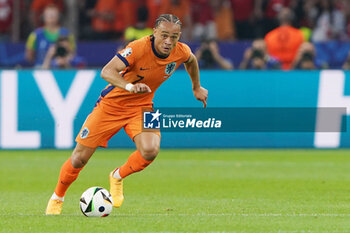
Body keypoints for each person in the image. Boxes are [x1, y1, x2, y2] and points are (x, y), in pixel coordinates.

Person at [45, 14, 208, 215]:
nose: (168, 41)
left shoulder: (181, 51)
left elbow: (191, 61)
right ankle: (57, 197)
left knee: (150, 150)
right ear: (154, 32)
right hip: (111, 106)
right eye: (164, 35)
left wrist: (197, 87)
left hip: (144, 106)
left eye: (174, 37)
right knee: (79, 159)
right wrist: (129, 86)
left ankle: (117, 175)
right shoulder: (138, 47)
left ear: (179, 36)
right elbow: (106, 71)